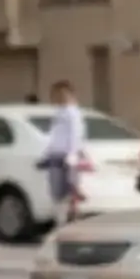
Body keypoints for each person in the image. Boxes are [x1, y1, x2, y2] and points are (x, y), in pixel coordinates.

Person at [40, 82, 88, 223]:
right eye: (56, 94)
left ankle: (70, 217)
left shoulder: (72, 112)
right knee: (58, 192)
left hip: (66, 155)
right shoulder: (58, 112)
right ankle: (64, 219)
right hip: (56, 154)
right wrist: (47, 153)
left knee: (67, 189)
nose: (59, 97)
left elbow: (75, 134)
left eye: (62, 94)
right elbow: (54, 135)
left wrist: (72, 154)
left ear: (70, 95)